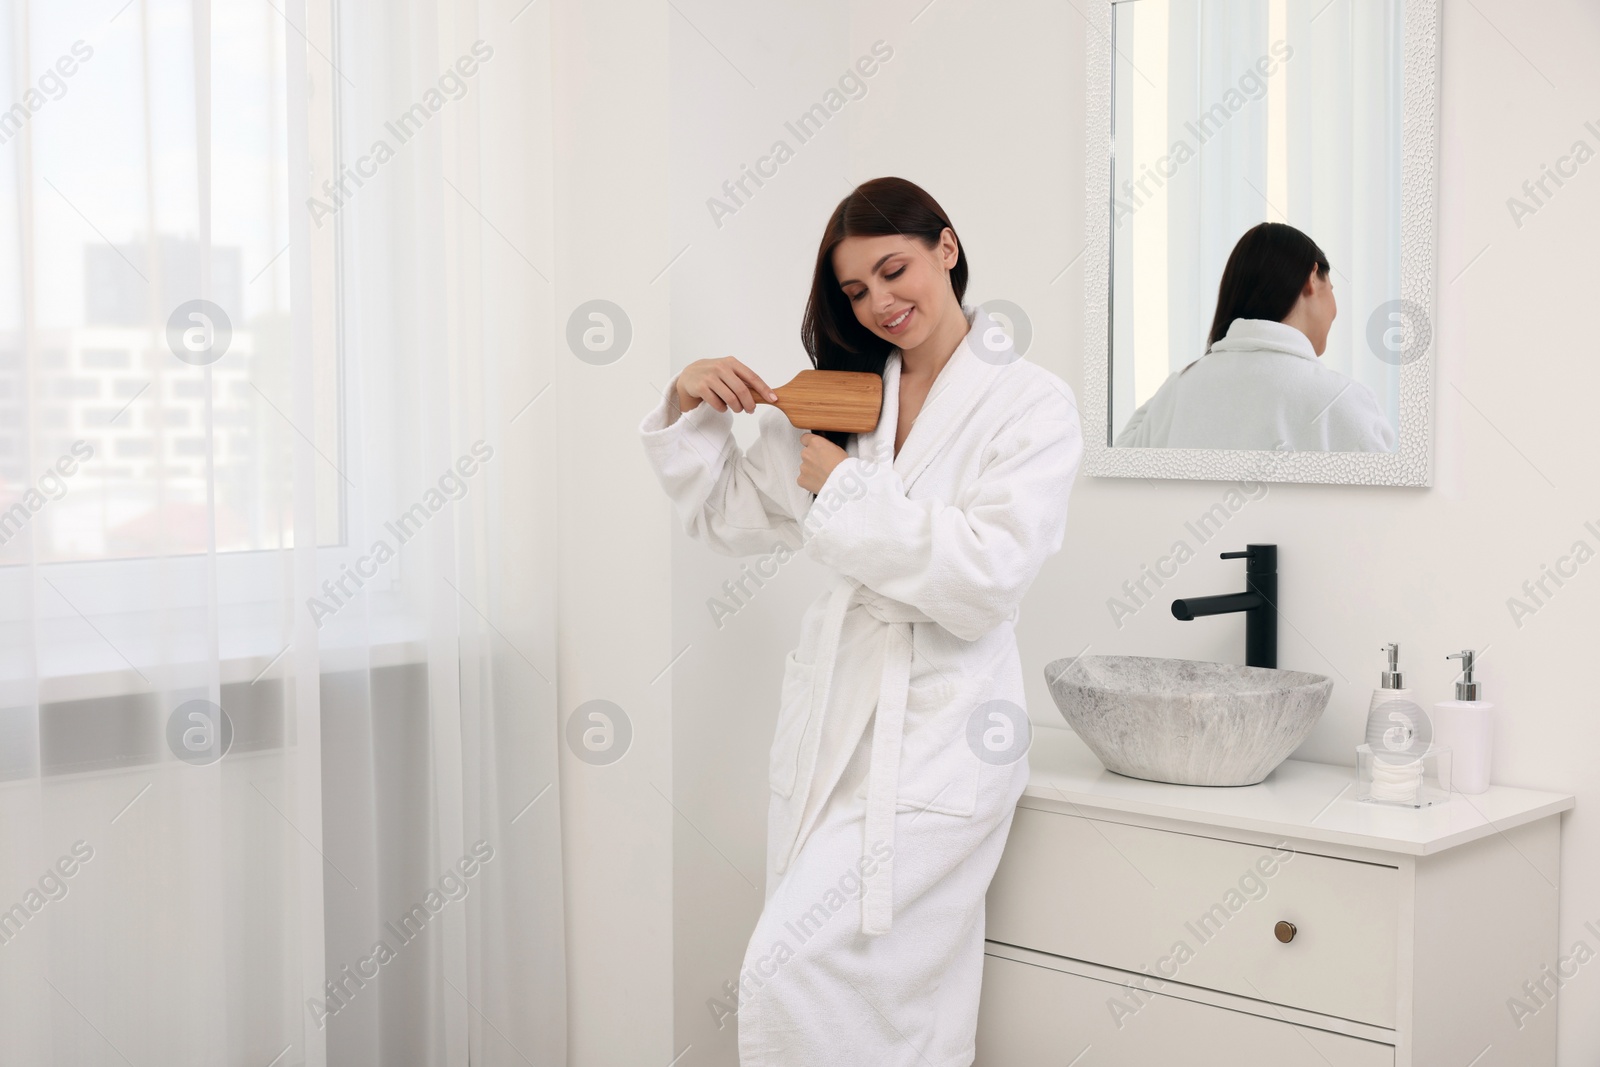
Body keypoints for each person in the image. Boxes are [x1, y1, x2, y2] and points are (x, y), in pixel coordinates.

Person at [637, 175, 1081, 1066]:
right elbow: (728, 515)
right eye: (855, 290)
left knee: (795, 970)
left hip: (945, 734)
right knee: (859, 994)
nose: (881, 302)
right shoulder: (840, 398)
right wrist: (688, 403)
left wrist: (841, 488)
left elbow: (987, 576)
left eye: (894, 270)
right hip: (836, 726)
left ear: (946, 249)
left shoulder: (1032, 403)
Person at [1114, 221, 1397, 452]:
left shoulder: (1174, 393)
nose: (1335, 311)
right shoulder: (1344, 402)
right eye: (1332, 288)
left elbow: (1122, 481)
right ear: (1312, 278)